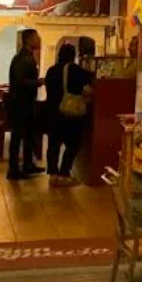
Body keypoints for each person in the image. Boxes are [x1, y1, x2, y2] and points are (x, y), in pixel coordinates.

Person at [44, 43, 93, 186]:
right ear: (74, 55)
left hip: (53, 112)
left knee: (53, 144)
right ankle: (64, 172)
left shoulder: (51, 70)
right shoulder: (76, 70)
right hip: (71, 114)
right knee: (73, 144)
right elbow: (92, 80)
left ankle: (53, 174)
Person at [7, 29, 44, 181]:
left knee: (29, 134)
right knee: (17, 136)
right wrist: (38, 82)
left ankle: (28, 164)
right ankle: (13, 169)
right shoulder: (21, 59)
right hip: (19, 103)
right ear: (29, 40)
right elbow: (19, 81)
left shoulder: (28, 57)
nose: (39, 40)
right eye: (36, 37)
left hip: (27, 102)